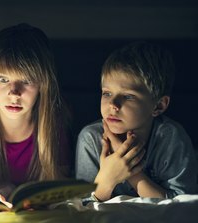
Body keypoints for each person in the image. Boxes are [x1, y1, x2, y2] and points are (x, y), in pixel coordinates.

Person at [0, 23, 71, 198]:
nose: (14, 94)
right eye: (3, 79)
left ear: (42, 83)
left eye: (26, 81)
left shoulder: (54, 117)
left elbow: (59, 190)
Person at [75, 41, 198, 202]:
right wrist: (108, 179)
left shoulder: (171, 137)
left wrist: (132, 172)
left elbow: (181, 206)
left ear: (158, 106)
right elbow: (81, 208)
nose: (113, 105)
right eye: (107, 93)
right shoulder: (91, 138)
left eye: (128, 96)